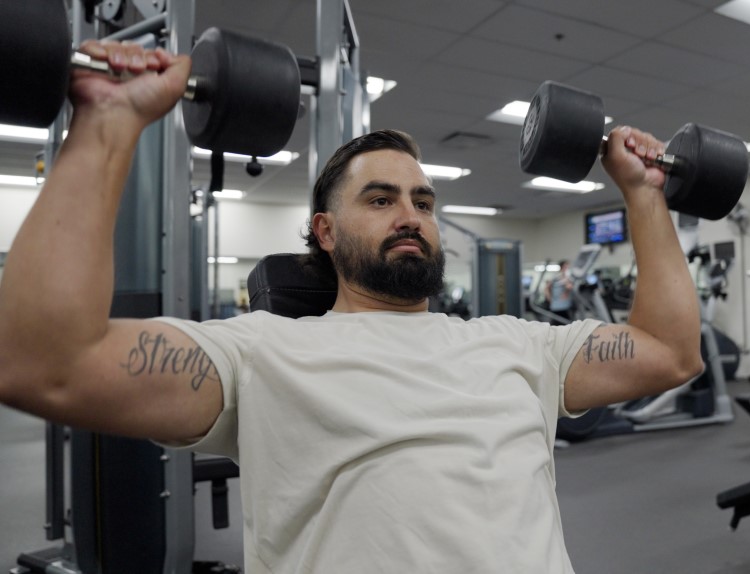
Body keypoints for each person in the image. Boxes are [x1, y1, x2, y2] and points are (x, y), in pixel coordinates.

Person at [0, 41, 703, 574]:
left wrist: (643, 193)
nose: (410, 214)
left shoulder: (520, 345)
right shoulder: (261, 354)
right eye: (380, 199)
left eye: (422, 202)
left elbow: (670, 352)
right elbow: (44, 361)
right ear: (326, 233)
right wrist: (109, 121)